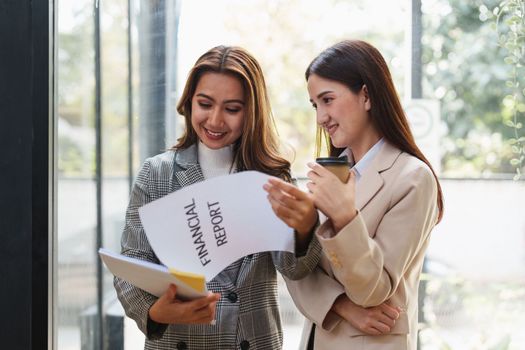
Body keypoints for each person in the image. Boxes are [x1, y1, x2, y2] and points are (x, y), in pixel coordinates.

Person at [113, 45, 324, 350]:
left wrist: (305, 228)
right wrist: (155, 312)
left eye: (232, 109)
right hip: (178, 338)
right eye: (205, 103)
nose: (214, 120)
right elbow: (133, 263)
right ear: (188, 103)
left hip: (252, 340)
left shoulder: (271, 177)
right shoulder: (156, 173)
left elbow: (293, 269)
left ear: (251, 112)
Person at [264, 39, 444, 350]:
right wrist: (339, 306)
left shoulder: (413, 179)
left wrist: (346, 217)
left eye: (328, 100)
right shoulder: (327, 175)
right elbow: (297, 271)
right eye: (315, 105)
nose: (321, 117)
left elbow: (374, 290)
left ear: (366, 95)